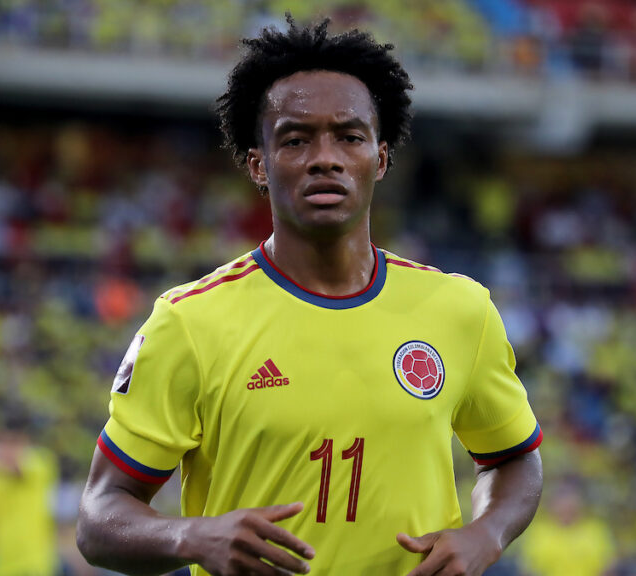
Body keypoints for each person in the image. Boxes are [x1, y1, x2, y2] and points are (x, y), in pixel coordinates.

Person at [78, 15, 543, 576]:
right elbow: (99, 516)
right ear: (259, 163)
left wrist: (485, 534)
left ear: (381, 156)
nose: (326, 157)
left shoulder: (459, 311)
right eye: (296, 139)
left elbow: (514, 460)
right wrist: (191, 536)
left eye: (349, 137)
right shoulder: (190, 323)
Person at [0, 413, 60, 576]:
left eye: (12, 442)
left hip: (34, 567)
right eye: (1, 442)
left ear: (24, 441)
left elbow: (16, 468)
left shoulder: (39, 462)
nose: (5, 449)